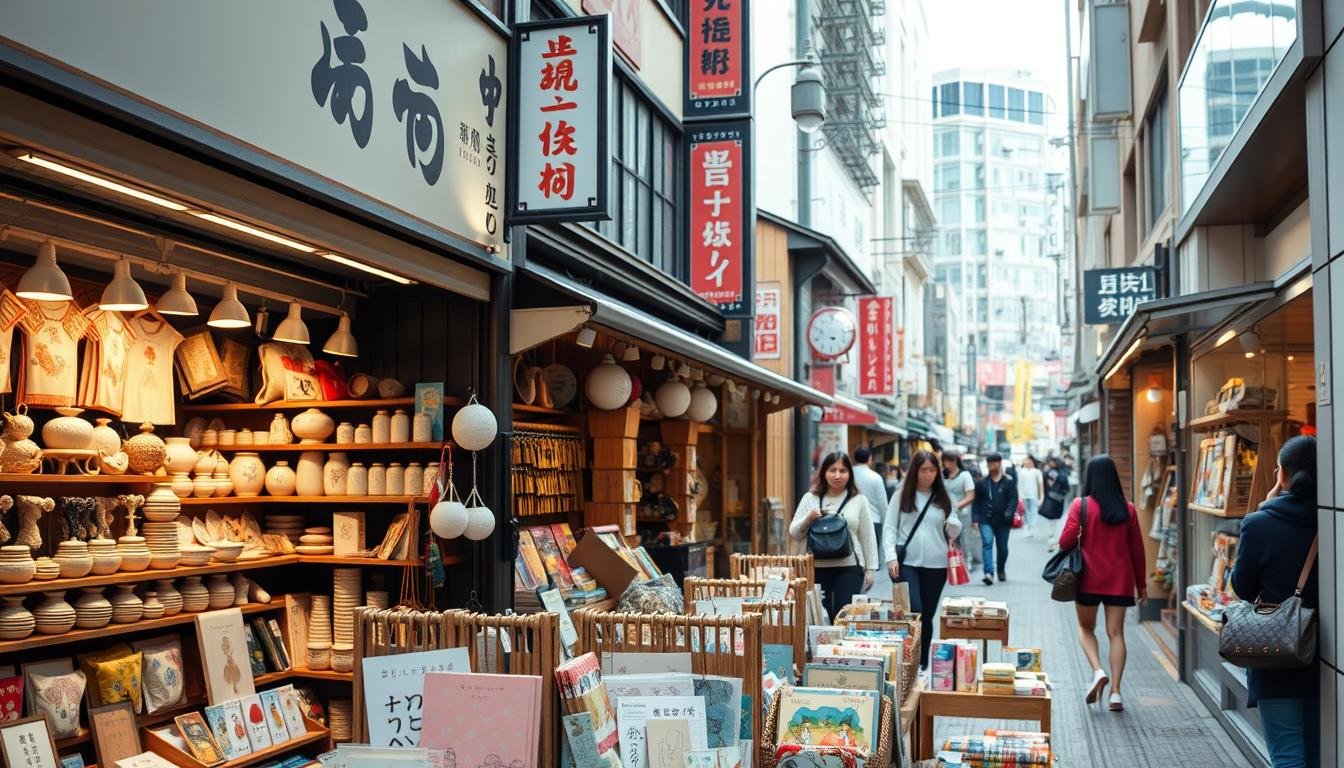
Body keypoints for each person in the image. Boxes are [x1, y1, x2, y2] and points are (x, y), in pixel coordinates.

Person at [1230, 436, 1319, 768]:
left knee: (1287, 755)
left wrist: (1264, 507)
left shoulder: (1260, 523)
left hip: (1277, 653)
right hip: (1326, 655)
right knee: (1317, 752)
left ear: (1281, 474)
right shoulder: (1331, 518)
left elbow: (1241, 587)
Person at [1059, 454, 1146, 713]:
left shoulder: (1081, 505)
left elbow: (1065, 542)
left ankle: (1098, 671)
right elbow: (1137, 550)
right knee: (1116, 633)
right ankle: (1116, 693)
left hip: (1087, 578)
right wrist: (1141, 584)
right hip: (1119, 580)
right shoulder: (1127, 509)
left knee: (1086, 629)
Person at [883, 450, 961, 667]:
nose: (928, 475)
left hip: (937, 564)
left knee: (927, 616)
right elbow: (889, 528)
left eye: (932, 470)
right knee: (914, 611)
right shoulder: (902, 495)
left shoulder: (944, 497)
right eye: (923, 470)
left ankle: (923, 665)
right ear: (915, 471)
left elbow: (952, 530)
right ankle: (908, 661)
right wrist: (890, 558)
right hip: (907, 562)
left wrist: (954, 525)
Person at [790, 451, 880, 621]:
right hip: (816, 568)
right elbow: (794, 532)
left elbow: (867, 535)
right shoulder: (810, 498)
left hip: (849, 567)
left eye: (843, 470)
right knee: (820, 616)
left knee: (844, 616)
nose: (837, 475)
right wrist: (808, 518)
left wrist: (871, 569)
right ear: (823, 472)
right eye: (832, 470)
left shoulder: (859, 500)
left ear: (850, 474)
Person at [972, 452, 1017, 584]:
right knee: (987, 543)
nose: (991, 466)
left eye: (994, 463)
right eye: (989, 463)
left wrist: (1009, 511)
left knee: (1002, 547)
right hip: (986, 519)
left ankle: (1001, 569)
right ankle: (988, 573)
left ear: (999, 463)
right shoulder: (982, 483)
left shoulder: (1008, 481)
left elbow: (1013, 499)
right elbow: (976, 501)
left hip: (1004, 521)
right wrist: (975, 519)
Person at [941, 449, 977, 563]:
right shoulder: (942, 476)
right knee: (951, 540)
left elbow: (970, 496)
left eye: (951, 460)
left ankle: (967, 561)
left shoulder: (965, 475)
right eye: (945, 461)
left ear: (956, 461)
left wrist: (956, 506)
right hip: (946, 514)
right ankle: (954, 564)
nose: (948, 464)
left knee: (965, 538)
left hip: (963, 513)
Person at [852, 447, 889, 550]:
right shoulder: (876, 477)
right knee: (872, 558)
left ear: (855, 458)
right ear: (870, 459)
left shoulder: (849, 475)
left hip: (852, 520)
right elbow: (883, 504)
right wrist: (886, 524)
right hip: (874, 521)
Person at [1039, 456, 1071, 553]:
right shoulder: (1046, 472)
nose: (1050, 463)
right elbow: (1043, 486)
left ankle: (1055, 540)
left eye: (1052, 462)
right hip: (1049, 499)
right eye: (1050, 462)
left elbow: (1066, 487)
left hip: (1058, 500)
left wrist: (1061, 494)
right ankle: (1052, 541)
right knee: (1050, 520)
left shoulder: (1062, 473)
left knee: (1056, 520)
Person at [1017, 455, 1045, 537]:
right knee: (1024, 512)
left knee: (1033, 513)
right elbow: (1019, 484)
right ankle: (1026, 529)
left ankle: (1028, 529)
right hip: (1023, 496)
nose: (1026, 462)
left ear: (1032, 462)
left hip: (1033, 495)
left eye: (1028, 460)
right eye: (1025, 460)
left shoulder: (1037, 472)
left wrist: (1041, 497)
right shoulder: (1021, 471)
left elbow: (1041, 485)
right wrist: (1019, 496)